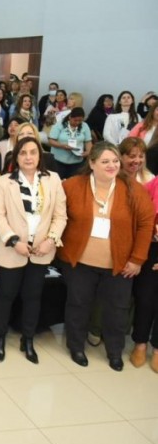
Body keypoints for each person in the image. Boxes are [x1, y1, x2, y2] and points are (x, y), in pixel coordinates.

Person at [58, 143, 152, 371]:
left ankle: (114, 351)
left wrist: (137, 259)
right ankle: (76, 346)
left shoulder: (133, 189)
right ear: (92, 163)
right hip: (79, 262)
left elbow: (146, 223)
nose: (112, 165)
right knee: (78, 305)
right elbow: (57, 214)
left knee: (117, 310)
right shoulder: (72, 186)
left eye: (115, 161)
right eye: (105, 161)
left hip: (120, 265)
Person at [0, 136, 67, 363]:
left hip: (41, 250)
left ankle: (28, 338)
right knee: (5, 296)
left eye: (33, 152)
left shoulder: (53, 179)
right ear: (16, 157)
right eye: (23, 153)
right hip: (12, 249)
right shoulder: (4, 182)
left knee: (33, 297)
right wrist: (14, 241)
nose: (28, 157)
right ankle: (0, 337)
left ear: (40, 155)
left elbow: (60, 216)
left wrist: (51, 240)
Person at [133, 174, 158, 371]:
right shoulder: (152, 185)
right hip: (150, 247)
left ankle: (157, 349)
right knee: (145, 299)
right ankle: (140, 343)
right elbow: (139, 217)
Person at [49, 107, 92, 179]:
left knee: (74, 182)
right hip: (58, 160)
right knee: (58, 181)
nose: (77, 122)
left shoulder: (85, 126)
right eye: (75, 120)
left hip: (77, 161)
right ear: (70, 117)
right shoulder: (60, 125)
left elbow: (88, 141)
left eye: (80, 120)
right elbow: (51, 141)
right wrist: (62, 146)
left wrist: (88, 151)